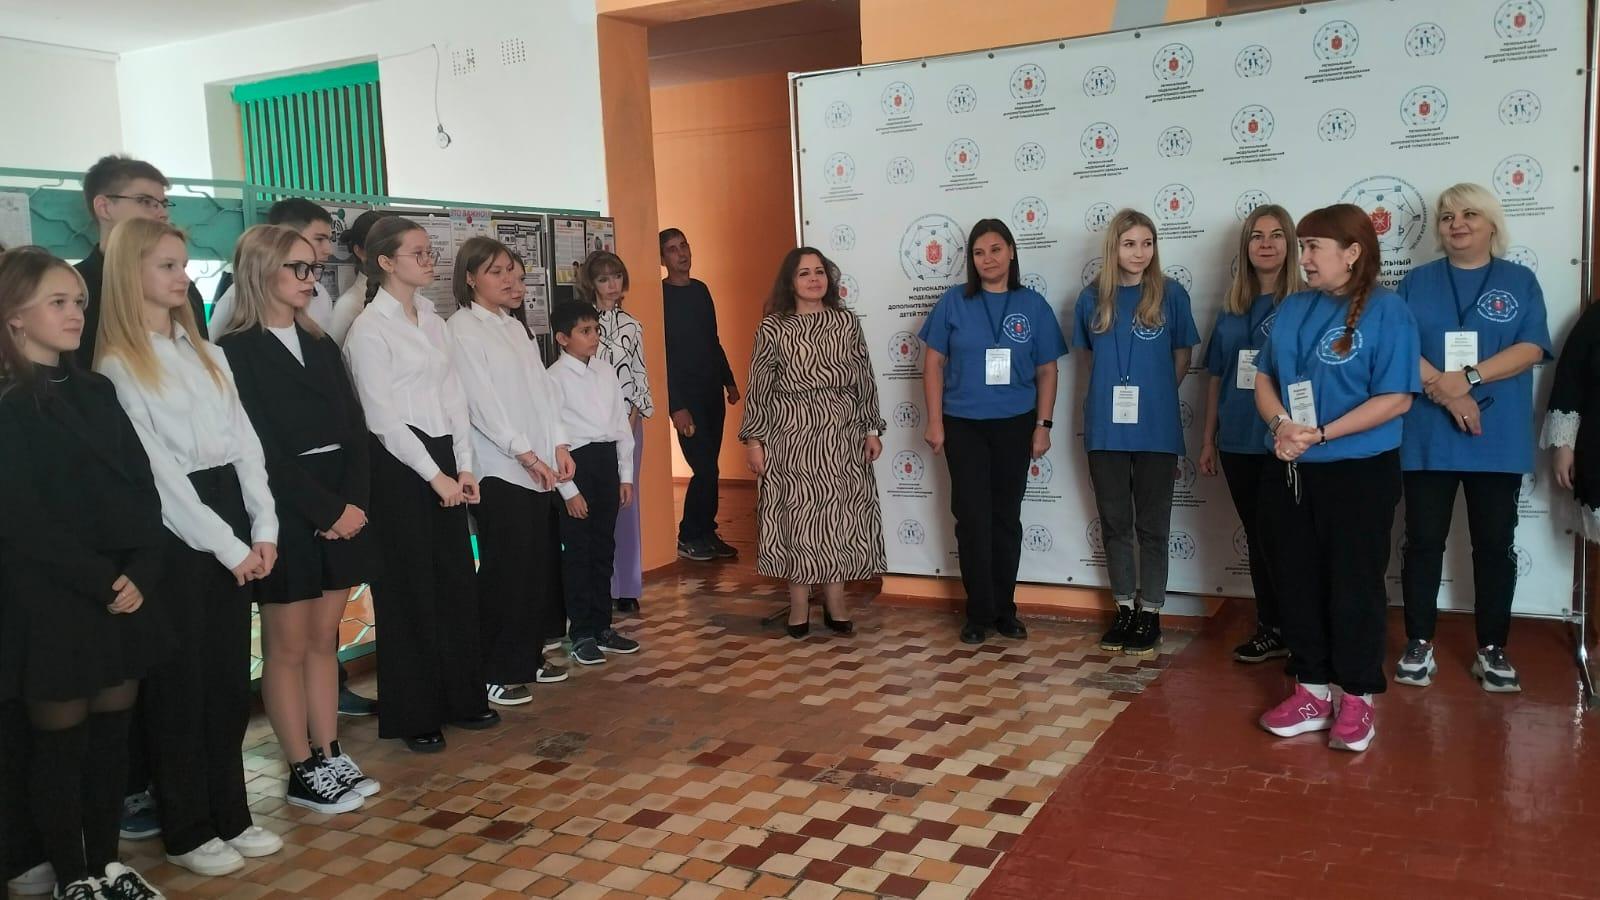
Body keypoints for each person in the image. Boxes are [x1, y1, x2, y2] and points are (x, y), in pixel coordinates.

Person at [95, 218, 285, 874]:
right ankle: (187, 828)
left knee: (228, 680)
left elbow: (247, 444)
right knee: (181, 686)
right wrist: (229, 547)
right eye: (167, 266)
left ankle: (232, 812)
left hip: (230, 513)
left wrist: (264, 528)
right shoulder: (118, 365)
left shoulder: (207, 352)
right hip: (178, 534)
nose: (182, 277)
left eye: (182, 265)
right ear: (131, 275)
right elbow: (160, 477)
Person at [0, 248, 169, 899]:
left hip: (121, 591)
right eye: (57, 302)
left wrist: (142, 569)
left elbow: (141, 487)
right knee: (60, 748)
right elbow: (22, 519)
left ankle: (106, 863)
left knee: (110, 744)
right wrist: (101, 581)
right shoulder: (11, 404)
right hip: (53, 600)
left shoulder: (98, 390)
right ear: (15, 316)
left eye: (78, 301)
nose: (75, 313)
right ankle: (72, 877)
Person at [213, 225, 379, 813]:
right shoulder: (235, 352)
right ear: (262, 271)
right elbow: (259, 448)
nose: (312, 280)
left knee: (321, 641)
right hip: (283, 508)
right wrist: (325, 510)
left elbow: (355, 426)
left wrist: (351, 506)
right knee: (286, 645)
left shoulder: (320, 342)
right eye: (300, 268)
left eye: (314, 269)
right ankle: (300, 766)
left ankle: (329, 751)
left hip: (341, 502)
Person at [1253, 203, 1420, 754]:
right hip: (1292, 466)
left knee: (1353, 585)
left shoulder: (1388, 310)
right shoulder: (1293, 307)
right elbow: (1263, 378)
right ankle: (1311, 690)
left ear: (1352, 253)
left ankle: (1357, 696)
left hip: (1359, 471)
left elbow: (1396, 398)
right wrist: (1282, 425)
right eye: (1302, 247)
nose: (1303, 258)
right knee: (1296, 580)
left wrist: (1321, 434)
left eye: (1313, 247)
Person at [342, 216, 497, 753]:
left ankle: (463, 697)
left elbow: (455, 396)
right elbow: (382, 418)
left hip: (445, 456)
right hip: (399, 467)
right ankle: (416, 713)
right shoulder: (369, 329)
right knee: (409, 590)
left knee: (455, 580)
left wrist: (465, 466)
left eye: (431, 252)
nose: (430, 261)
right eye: (419, 253)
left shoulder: (432, 318)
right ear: (386, 262)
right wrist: (434, 477)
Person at [1396, 184, 1550, 693]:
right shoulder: (1416, 282)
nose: (1456, 224)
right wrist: (1447, 393)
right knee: (1423, 543)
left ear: (1491, 224)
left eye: (1468, 214)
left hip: (1496, 438)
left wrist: (1469, 378)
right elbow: (1400, 348)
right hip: (1427, 438)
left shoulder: (1519, 280)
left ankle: (1492, 648)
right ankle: (1419, 642)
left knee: (1493, 546)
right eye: (1446, 216)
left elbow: (1531, 348)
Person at [919, 219, 1067, 645]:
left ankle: (1005, 610)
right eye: (979, 252)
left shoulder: (1032, 304)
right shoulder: (953, 302)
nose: (988, 259)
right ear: (971, 259)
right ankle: (978, 613)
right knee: (971, 518)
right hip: (963, 424)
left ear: (1011, 252)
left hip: (1015, 423)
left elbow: (1047, 370)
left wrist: (1043, 426)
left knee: (1005, 518)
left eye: (996, 249)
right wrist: (935, 421)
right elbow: (933, 364)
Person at [446, 238, 576, 706]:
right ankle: (493, 670)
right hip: (500, 467)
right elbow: (481, 404)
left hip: (537, 465)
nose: (509, 281)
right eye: (497, 272)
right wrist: (526, 454)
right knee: (505, 570)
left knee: (534, 568)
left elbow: (542, 391)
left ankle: (524, 656)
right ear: (470, 278)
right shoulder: (462, 328)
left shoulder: (514, 327)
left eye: (514, 273)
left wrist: (558, 442)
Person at [741, 247, 886, 637]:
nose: (813, 279)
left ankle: (836, 603)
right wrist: (755, 441)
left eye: (819, 271)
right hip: (791, 436)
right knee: (800, 519)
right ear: (790, 281)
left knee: (837, 518)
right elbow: (759, 387)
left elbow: (864, 377)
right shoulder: (773, 327)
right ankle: (799, 605)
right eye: (804, 273)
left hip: (842, 436)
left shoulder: (846, 322)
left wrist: (871, 429)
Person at [1074, 209, 1200, 658]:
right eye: (1130, 244)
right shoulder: (1091, 298)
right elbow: (1090, 361)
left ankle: (1151, 612)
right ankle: (1124, 608)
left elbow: (1182, 357)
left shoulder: (1172, 294)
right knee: (1114, 524)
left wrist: (1157, 395)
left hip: (1156, 428)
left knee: (1153, 526)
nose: (1139, 252)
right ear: (1114, 247)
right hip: (1106, 429)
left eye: (1147, 243)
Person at [1198, 205, 1304, 663]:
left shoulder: (1304, 303)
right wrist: (1208, 439)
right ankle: (1271, 628)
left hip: (1284, 442)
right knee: (1259, 539)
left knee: (1286, 540)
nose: (1266, 244)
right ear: (1245, 247)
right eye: (1257, 236)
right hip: (1237, 441)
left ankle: (1302, 633)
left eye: (1276, 235)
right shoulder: (1231, 307)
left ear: (1291, 244)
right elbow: (1216, 378)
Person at [548, 300, 643, 666]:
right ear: (563, 338)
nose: (594, 337)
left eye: (596, 330)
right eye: (584, 331)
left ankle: (603, 626)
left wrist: (625, 475)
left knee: (604, 549)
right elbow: (551, 437)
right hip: (576, 466)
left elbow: (620, 425)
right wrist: (568, 491)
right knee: (579, 553)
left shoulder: (605, 371)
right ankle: (582, 633)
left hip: (606, 463)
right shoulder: (554, 378)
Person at [75, 154, 208, 367]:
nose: (162, 213)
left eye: (163, 204)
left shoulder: (185, 289)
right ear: (104, 207)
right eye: (146, 202)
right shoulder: (77, 289)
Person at [577, 250, 653, 614]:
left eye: (617, 276)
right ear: (591, 283)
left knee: (625, 504)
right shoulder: (583, 326)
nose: (612, 284)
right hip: (588, 429)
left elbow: (639, 376)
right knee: (595, 505)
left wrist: (630, 424)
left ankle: (626, 586)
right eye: (604, 278)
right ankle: (599, 584)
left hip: (627, 425)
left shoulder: (633, 325)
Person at [660, 228, 740, 561]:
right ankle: (688, 536)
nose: (681, 253)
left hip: (711, 393)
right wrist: (676, 406)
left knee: (711, 468)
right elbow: (662, 356)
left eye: (684, 246)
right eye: (672, 249)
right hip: (686, 400)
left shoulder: (701, 290)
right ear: (662, 258)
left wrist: (729, 381)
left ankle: (707, 532)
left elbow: (713, 340)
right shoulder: (660, 297)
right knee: (704, 467)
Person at [210, 199, 337, 332]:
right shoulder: (235, 299)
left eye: (329, 240)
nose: (328, 250)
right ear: (286, 235)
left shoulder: (321, 294)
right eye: (319, 239)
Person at [327, 210, 392, 347]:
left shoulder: (406, 297)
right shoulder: (348, 305)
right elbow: (336, 354)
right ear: (359, 251)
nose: (390, 255)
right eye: (380, 247)